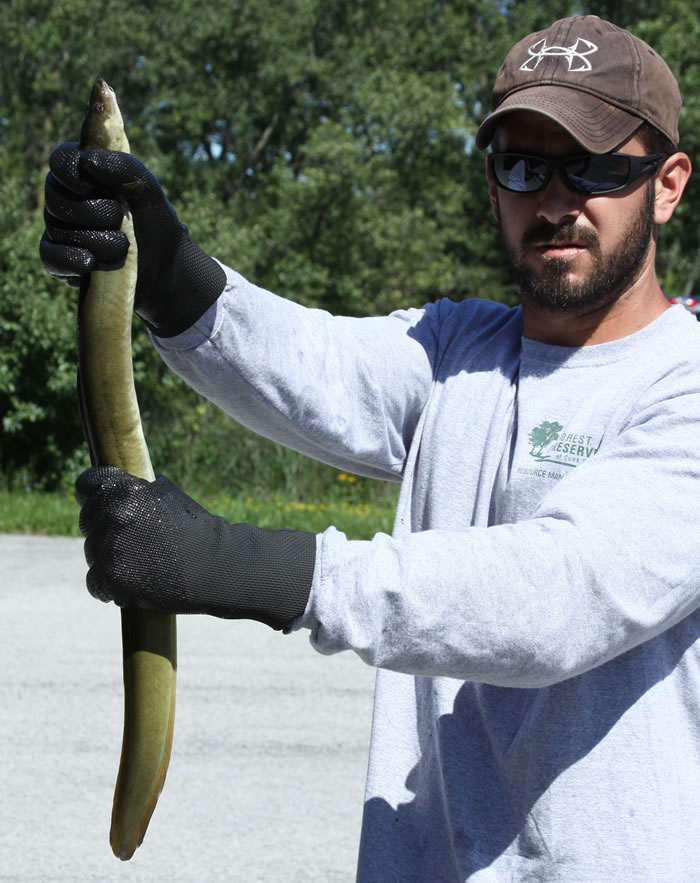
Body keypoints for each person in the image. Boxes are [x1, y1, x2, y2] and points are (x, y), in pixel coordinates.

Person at [40, 14, 699, 881]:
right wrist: (165, 270)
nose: (556, 199)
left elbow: (559, 594)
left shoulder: (680, 385)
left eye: (599, 167)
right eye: (524, 166)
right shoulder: (458, 349)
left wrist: (252, 566)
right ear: (494, 182)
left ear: (667, 183)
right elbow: (314, 365)